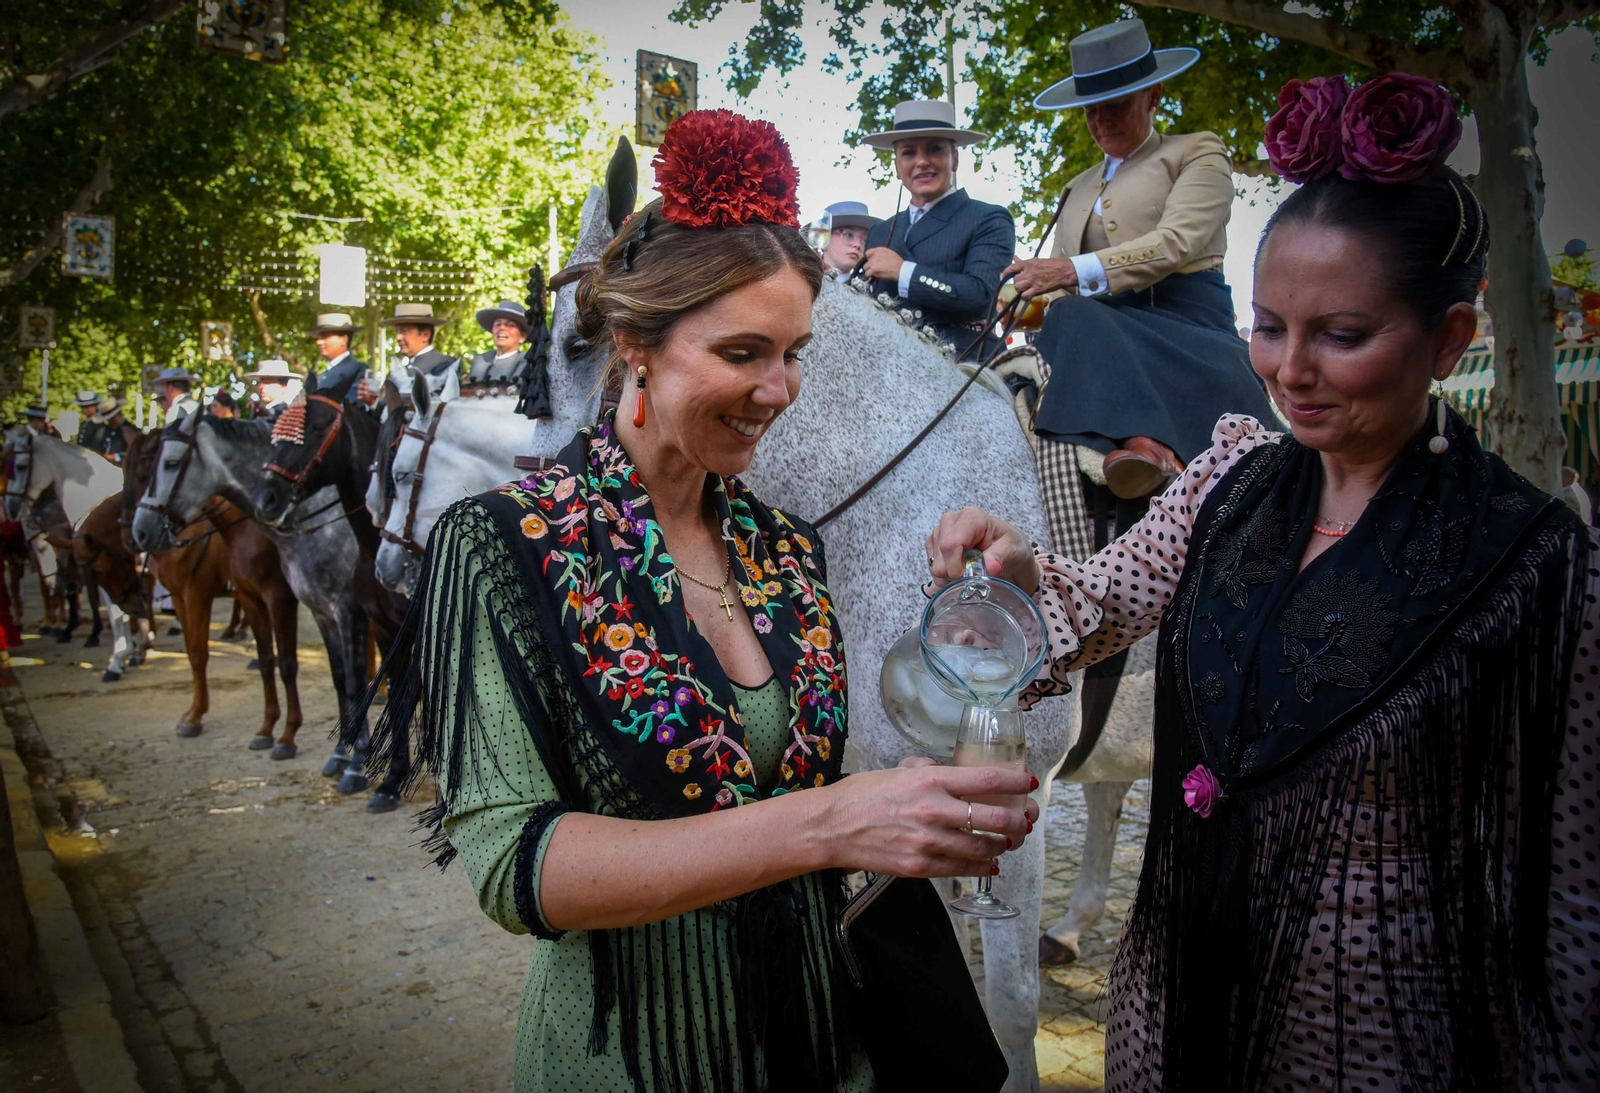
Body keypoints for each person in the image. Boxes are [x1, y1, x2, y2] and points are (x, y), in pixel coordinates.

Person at [927, 74, 1599, 1090]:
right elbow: (1097, 600)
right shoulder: (1224, 480)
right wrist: (1022, 571)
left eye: (1341, 335)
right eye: (1269, 326)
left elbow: (1576, 895)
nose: (1288, 370)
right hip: (1176, 1010)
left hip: (1384, 1036)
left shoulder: (1534, 566)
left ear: (1450, 338)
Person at [361, 110, 1038, 1092]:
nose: (780, 389)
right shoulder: (499, 548)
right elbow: (517, 869)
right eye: (742, 353)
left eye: (794, 351)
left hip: (831, 1058)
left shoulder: (789, 550)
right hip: (629, 1066)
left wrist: (980, 635)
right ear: (635, 343)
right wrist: (833, 824)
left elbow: (833, 773)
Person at [1010, 19, 1275, 500]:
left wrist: (1071, 272)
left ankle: (1145, 445)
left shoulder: (1197, 151)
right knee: (1055, 326)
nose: (1101, 121)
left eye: (1115, 106)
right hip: (1096, 325)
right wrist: (1019, 292)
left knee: (1074, 314)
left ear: (1153, 95)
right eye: (1090, 110)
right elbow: (1059, 281)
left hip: (1186, 315)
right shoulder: (1078, 185)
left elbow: (1177, 241)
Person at [859, 99, 1015, 356]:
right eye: (909, 152)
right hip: (887, 359)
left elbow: (980, 293)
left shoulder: (988, 218)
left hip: (965, 359)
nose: (921, 161)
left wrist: (904, 272)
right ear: (897, 166)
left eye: (934, 150)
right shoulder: (880, 231)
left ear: (955, 159)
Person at [379, 302, 456, 379]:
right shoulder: (403, 369)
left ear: (425, 335)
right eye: (397, 331)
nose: (398, 337)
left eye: (404, 331)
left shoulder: (444, 365)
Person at [465, 299, 529, 385]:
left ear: (522, 336)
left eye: (510, 325)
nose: (502, 328)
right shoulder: (480, 359)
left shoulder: (526, 360)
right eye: (497, 324)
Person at [307, 312, 368, 401]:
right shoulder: (322, 375)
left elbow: (353, 405)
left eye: (324, 337)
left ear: (343, 340)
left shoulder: (357, 370)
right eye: (318, 337)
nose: (319, 342)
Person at [813, 200, 880, 279]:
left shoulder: (869, 289)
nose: (857, 244)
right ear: (823, 239)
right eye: (849, 235)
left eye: (864, 240)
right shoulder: (802, 280)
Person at [92, 397, 129, 464]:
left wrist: (115, 457)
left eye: (112, 419)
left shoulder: (130, 430)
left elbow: (135, 454)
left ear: (119, 414)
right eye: (108, 420)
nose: (110, 422)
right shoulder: (104, 430)